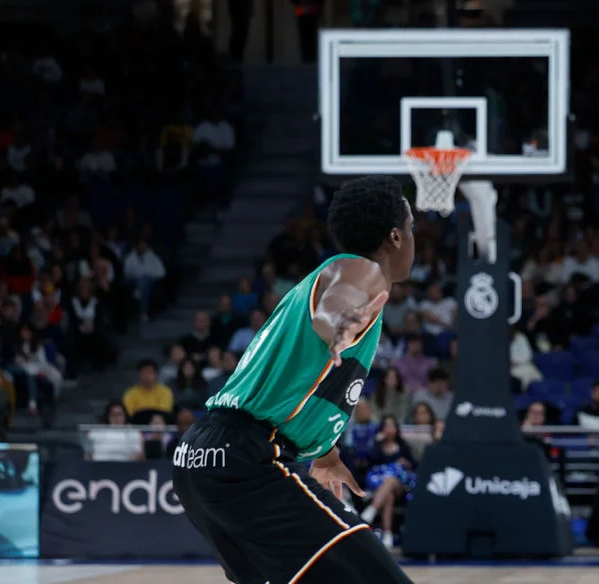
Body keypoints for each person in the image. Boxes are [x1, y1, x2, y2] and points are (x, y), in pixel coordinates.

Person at [171, 175, 416, 584]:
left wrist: (325, 452)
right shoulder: (362, 271)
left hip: (200, 458)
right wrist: (337, 327)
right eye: (411, 230)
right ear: (394, 236)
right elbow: (334, 310)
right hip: (246, 458)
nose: (413, 240)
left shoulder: (321, 279)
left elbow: (298, 378)